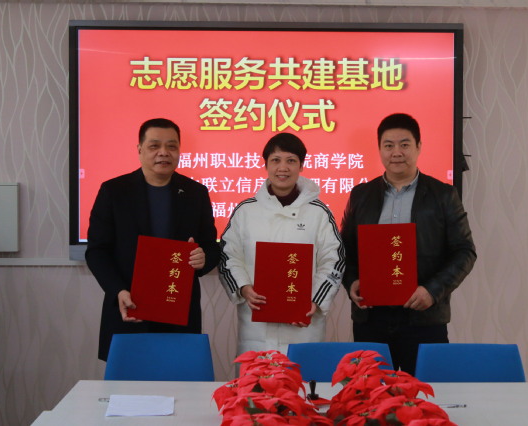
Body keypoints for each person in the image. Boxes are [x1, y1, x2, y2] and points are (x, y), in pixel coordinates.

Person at [340, 113, 476, 374]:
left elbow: (464, 252)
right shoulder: (361, 195)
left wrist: (432, 291)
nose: (396, 152)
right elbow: (345, 250)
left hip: (424, 316)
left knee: (427, 391)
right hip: (372, 318)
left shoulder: (443, 195)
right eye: (388, 145)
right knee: (371, 393)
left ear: (418, 146)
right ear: (379, 149)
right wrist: (352, 281)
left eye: (404, 144)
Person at [86, 118, 220, 361]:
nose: (163, 153)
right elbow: (97, 251)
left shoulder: (195, 193)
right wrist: (118, 290)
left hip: (179, 311)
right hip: (129, 306)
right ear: (139, 149)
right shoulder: (114, 191)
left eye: (171, 146)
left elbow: (211, 247)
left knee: (179, 376)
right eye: (154, 146)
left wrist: (203, 259)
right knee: (128, 380)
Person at [218, 132, 345, 356]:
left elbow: (334, 259)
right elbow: (228, 255)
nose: (283, 168)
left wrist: (315, 300)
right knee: (256, 377)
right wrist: (244, 288)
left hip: (303, 324)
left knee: (302, 377)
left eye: (291, 160)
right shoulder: (246, 211)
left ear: (301, 166)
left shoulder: (319, 213)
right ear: (266, 165)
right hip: (256, 325)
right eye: (276, 160)